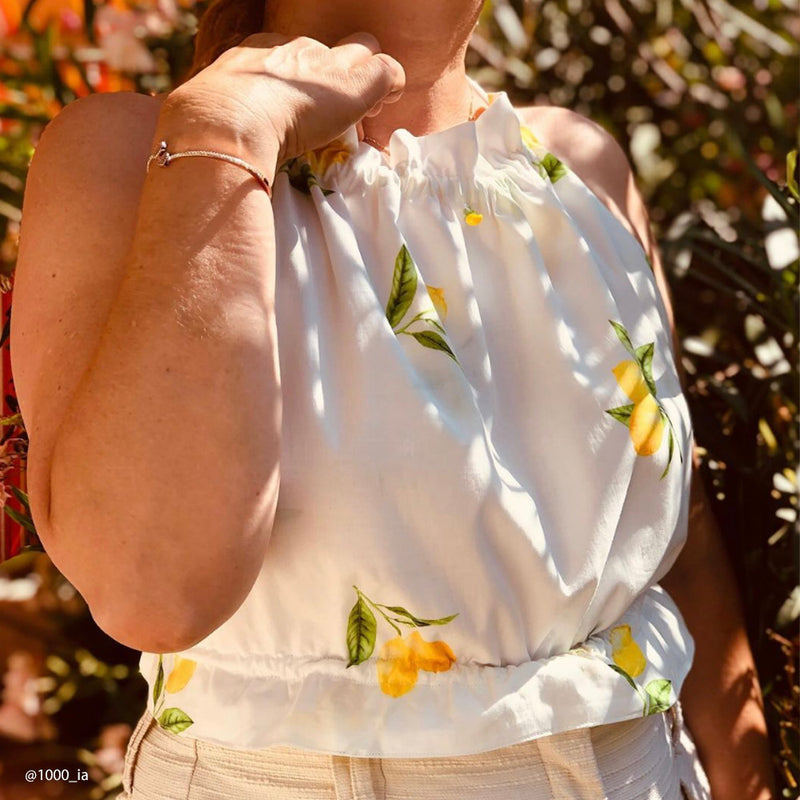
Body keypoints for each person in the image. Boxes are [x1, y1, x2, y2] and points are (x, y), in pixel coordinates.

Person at [9, 0, 776, 797]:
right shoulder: (136, 156)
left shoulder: (580, 164)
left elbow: (678, 548)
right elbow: (151, 590)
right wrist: (227, 135)